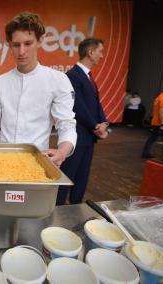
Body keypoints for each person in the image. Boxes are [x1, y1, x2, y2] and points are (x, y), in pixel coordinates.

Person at [0, 11, 77, 167]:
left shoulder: (57, 80)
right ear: (9, 44)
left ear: (40, 41)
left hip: (37, 162)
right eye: (16, 45)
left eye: (28, 43)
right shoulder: (0, 82)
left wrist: (61, 152)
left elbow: (66, 125)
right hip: (3, 162)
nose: (21, 51)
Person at [57, 38, 109, 205]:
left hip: (89, 137)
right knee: (68, 174)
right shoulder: (72, 76)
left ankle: (76, 207)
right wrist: (95, 126)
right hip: (76, 136)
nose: (102, 56)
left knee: (82, 175)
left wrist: (104, 123)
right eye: (100, 52)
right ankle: (58, 207)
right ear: (90, 52)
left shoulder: (88, 77)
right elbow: (78, 106)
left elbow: (95, 104)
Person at [141, 83, 163, 159]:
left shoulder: (160, 96)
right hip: (162, 123)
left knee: (153, 138)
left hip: (158, 122)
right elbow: (161, 111)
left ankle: (145, 153)